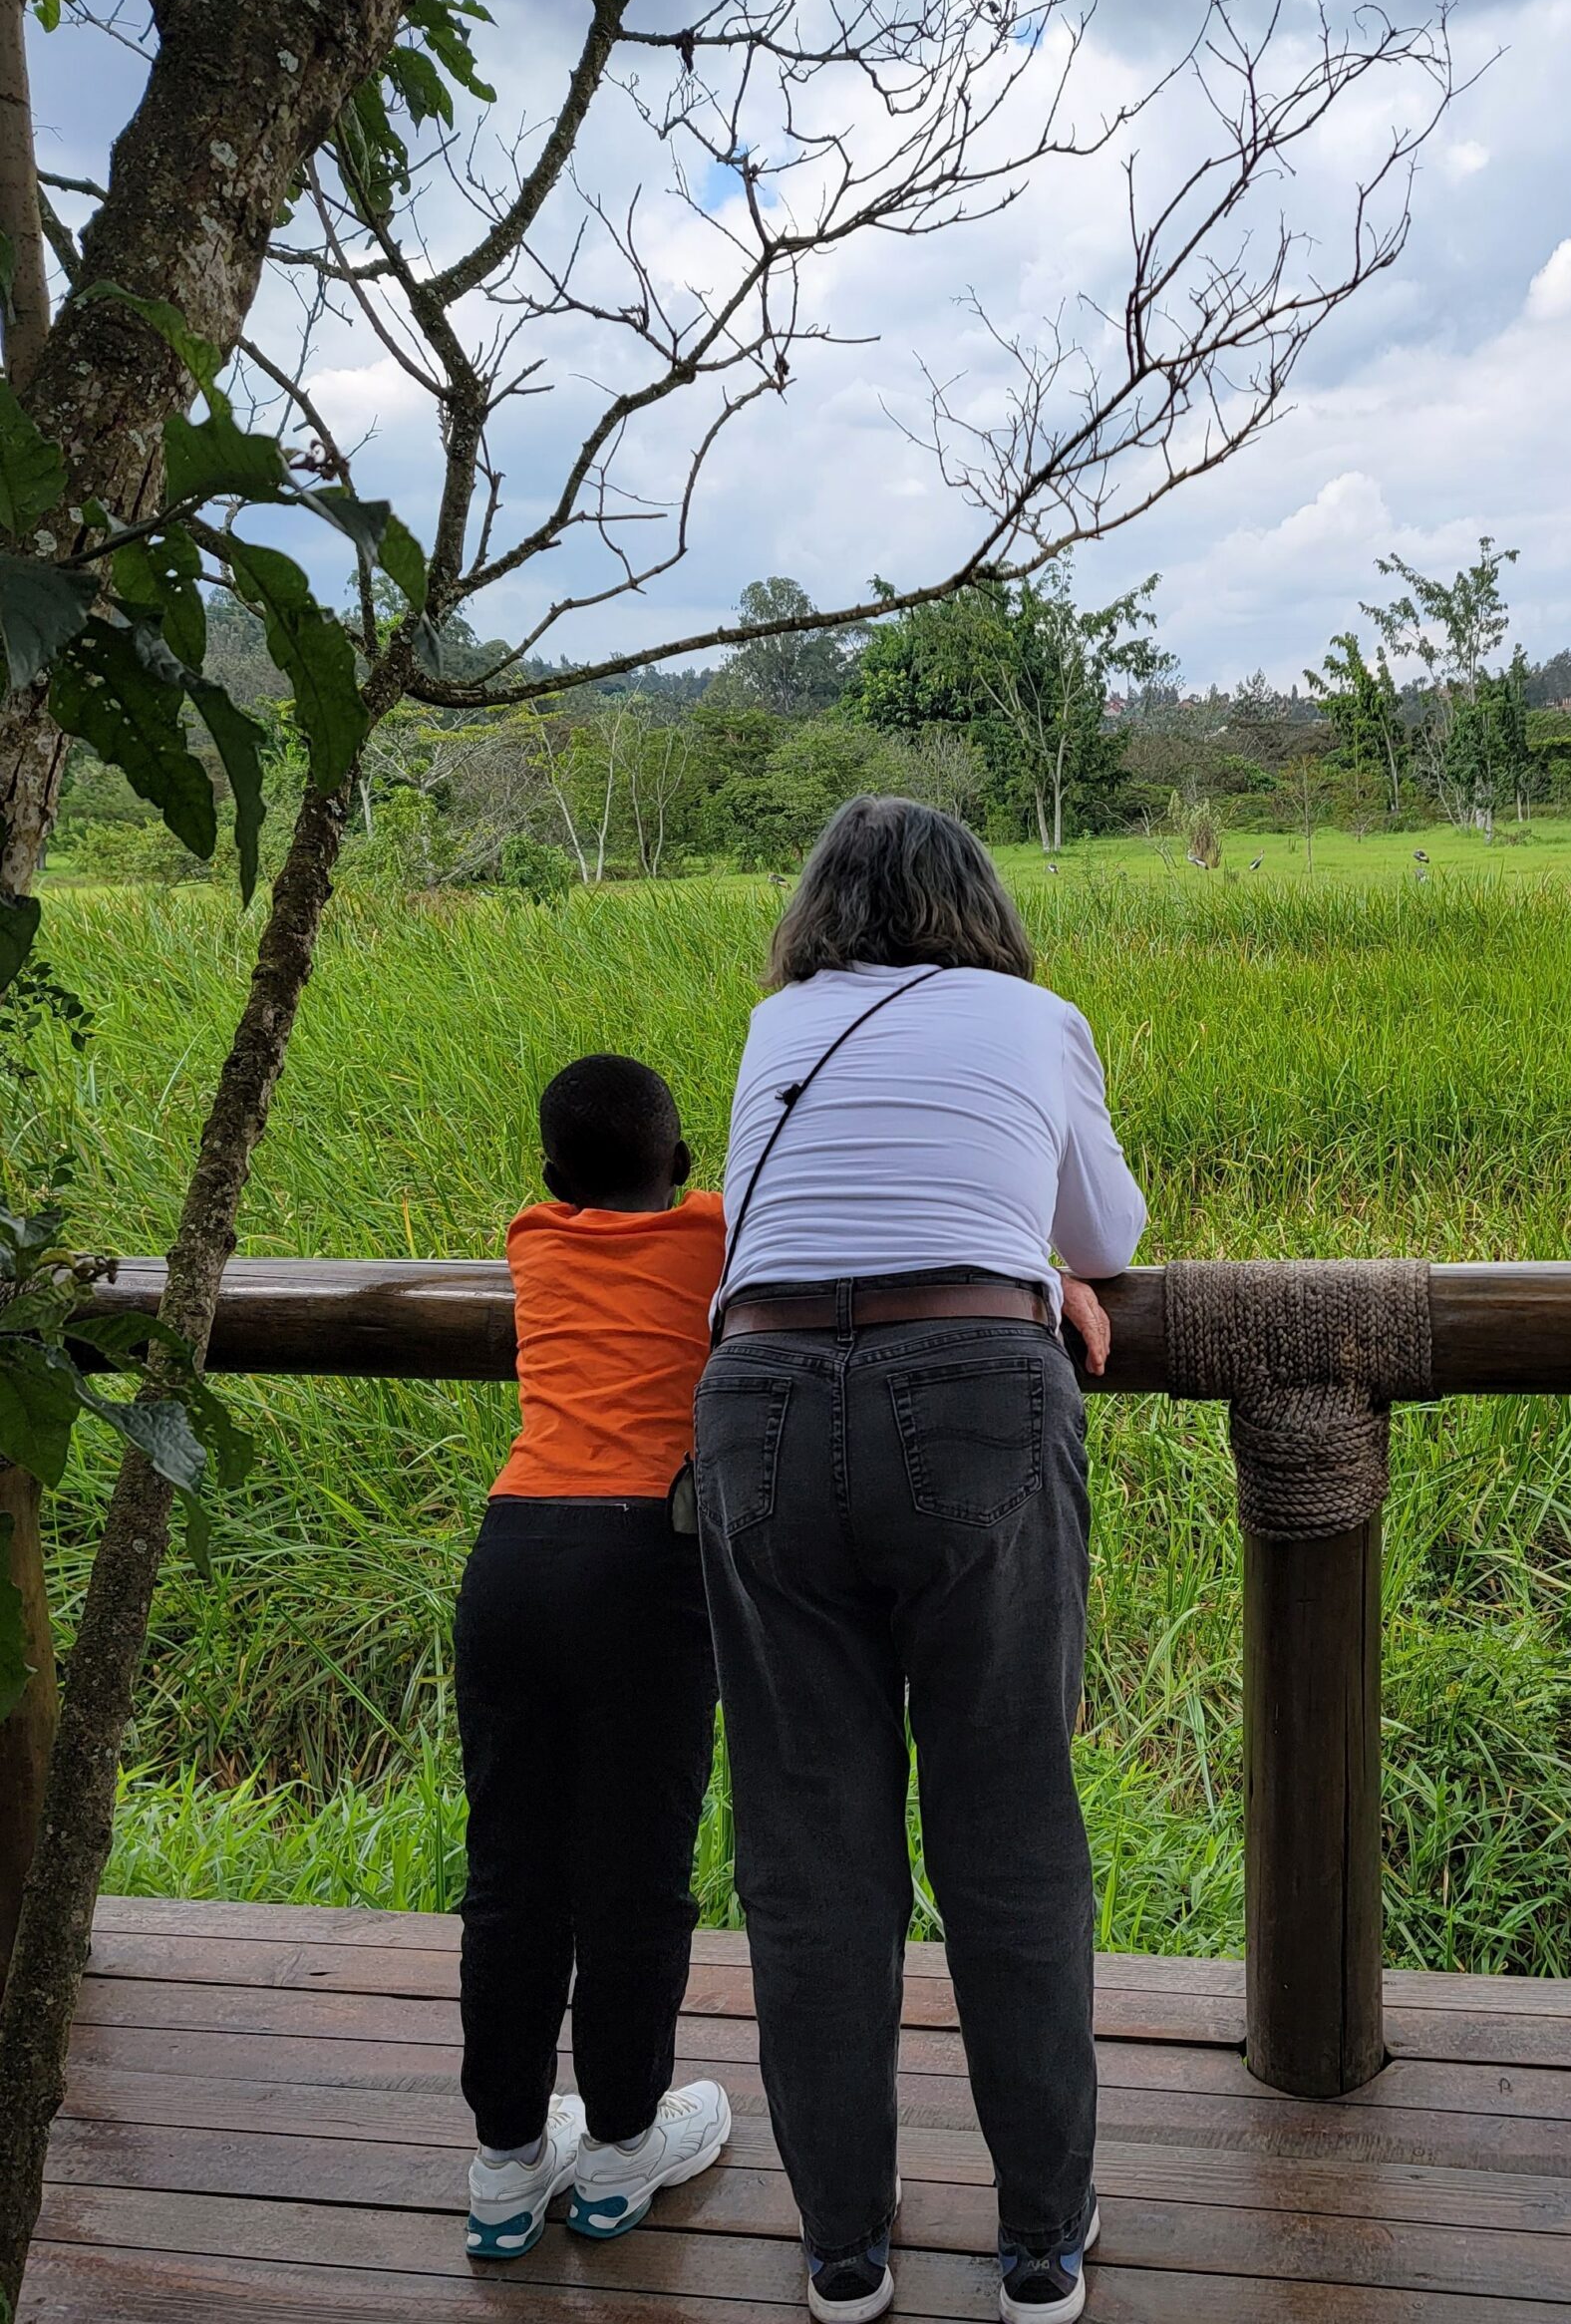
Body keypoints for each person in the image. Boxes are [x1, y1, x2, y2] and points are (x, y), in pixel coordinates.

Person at [695, 797, 1144, 2324]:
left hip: (754, 1398)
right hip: (970, 1379)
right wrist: (1036, 1276)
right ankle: (1037, 2243)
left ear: (818, 902)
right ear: (979, 901)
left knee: (809, 1848)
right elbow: (1110, 1226)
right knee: (1007, 1822)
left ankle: (842, 2247)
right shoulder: (1032, 1014)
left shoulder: (777, 1027)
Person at [458, 1055, 735, 2259]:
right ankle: (623, 2149)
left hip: (512, 1553)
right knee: (635, 1875)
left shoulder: (531, 1235)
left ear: (552, 1180)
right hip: (644, 1566)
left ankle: (507, 2165)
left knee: (512, 1874)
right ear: (678, 1166)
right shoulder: (714, 1231)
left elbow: (582, 1189)